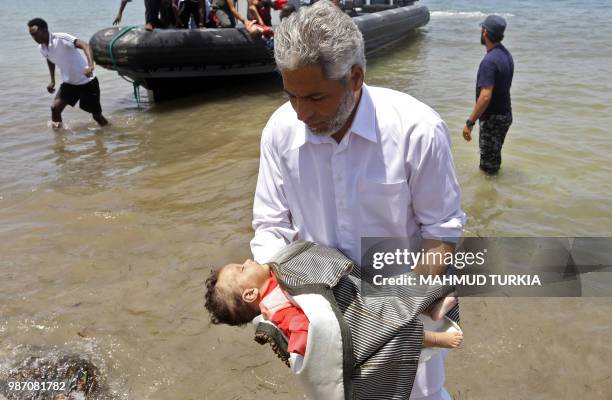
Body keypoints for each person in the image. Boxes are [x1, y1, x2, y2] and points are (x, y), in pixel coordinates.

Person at [250, 1, 465, 399]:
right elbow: (271, 227)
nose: (300, 113)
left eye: (315, 97)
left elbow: (442, 232)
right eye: (291, 96)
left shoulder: (418, 131)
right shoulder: (279, 132)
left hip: (404, 306)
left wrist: (395, 313)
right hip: (321, 316)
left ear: (355, 78)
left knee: (420, 395)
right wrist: (280, 304)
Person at [205, 241, 462, 399]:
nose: (248, 260)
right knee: (395, 328)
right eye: (242, 268)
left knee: (394, 296)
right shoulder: (275, 305)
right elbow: (307, 336)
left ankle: (431, 308)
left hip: (354, 298)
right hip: (349, 325)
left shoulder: (274, 279)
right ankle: (438, 335)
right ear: (250, 294)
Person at [28, 18, 108, 129]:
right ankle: (59, 141)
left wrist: (90, 66)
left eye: (36, 34)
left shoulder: (61, 38)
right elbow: (50, 59)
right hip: (69, 84)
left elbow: (85, 45)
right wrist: (52, 81)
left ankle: (108, 131)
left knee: (96, 116)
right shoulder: (42, 48)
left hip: (87, 82)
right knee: (55, 108)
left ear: (45, 29)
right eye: (32, 35)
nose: (34, 38)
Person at [462, 15, 514, 175]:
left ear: (485, 32)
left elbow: (485, 96)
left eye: (481, 28)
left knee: (488, 169)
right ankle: (496, 195)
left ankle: (489, 197)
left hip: (493, 119)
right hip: (505, 115)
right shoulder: (506, 55)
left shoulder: (489, 61)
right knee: (493, 160)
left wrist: (470, 122)